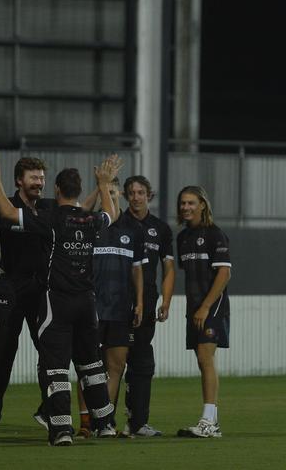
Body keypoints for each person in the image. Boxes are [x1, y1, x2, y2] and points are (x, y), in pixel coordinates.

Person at [0, 152, 120, 446]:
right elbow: (113, 214)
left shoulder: (49, 218)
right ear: (78, 189)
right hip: (88, 303)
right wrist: (104, 184)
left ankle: (61, 430)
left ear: (57, 190)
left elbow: (8, 214)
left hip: (57, 303)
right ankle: (106, 423)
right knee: (92, 365)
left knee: (56, 367)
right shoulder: (90, 219)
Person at [0, 146, 53, 438]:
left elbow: (76, 211)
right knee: (3, 348)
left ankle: (50, 411)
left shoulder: (47, 207)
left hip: (41, 286)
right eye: (34, 178)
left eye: (42, 178)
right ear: (19, 180)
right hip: (12, 285)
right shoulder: (7, 203)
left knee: (50, 348)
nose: (39, 183)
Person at [76, 176, 145, 437]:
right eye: (107, 193)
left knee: (116, 367)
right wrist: (100, 186)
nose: (111, 197)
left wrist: (139, 303)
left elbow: (138, 271)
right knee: (87, 367)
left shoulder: (132, 230)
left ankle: (105, 421)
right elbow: (81, 209)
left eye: (115, 193)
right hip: (90, 309)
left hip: (120, 310)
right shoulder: (89, 224)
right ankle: (85, 422)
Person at [175, 185, 231, 438]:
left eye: (191, 203)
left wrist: (206, 306)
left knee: (205, 359)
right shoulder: (182, 238)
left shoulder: (214, 234)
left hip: (212, 306)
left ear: (202, 205)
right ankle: (211, 421)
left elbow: (224, 273)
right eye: (183, 203)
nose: (186, 207)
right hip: (194, 307)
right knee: (201, 360)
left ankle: (209, 422)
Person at [121, 175, 175, 437]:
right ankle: (101, 422)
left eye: (140, 192)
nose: (136, 197)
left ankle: (137, 422)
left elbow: (168, 267)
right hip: (117, 300)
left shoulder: (161, 229)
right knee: (113, 362)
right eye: (131, 192)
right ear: (125, 196)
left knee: (142, 361)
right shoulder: (117, 223)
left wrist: (166, 300)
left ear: (149, 196)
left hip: (149, 300)